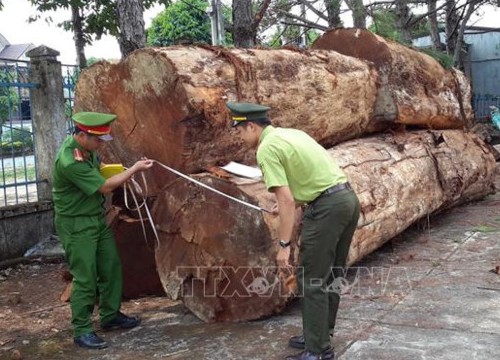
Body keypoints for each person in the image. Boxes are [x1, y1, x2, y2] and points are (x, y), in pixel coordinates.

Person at [227, 102, 360, 360]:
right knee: (331, 275)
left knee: (311, 280)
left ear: (252, 126)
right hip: (346, 200)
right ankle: (319, 334)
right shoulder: (292, 134)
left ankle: (318, 351)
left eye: (240, 131)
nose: (240, 137)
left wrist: (283, 246)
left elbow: (286, 201)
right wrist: (292, 201)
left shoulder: (266, 149)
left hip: (326, 210)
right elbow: (309, 178)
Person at [53, 111, 154, 349]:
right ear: (81, 136)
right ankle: (82, 329)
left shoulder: (88, 151)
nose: (100, 144)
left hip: (95, 219)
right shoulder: (70, 161)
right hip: (76, 224)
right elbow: (104, 187)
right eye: (97, 139)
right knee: (85, 277)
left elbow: (102, 168)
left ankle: (110, 315)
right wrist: (133, 171)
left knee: (111, 266)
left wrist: (120, 169)